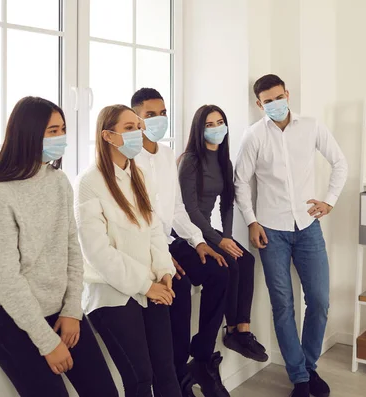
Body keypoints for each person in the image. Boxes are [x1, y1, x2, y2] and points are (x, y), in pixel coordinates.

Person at [0, 97, 118, 397]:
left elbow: (72, 249)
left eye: (62, 129)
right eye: (52, 131)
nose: (61, 138)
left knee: (105, 391)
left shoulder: (59, 182)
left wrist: (71, 311)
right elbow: (6, 279)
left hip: (58, 309)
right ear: (28, 134)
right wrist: (47, 341)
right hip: (8, 319)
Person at [234, 74, 347, 397]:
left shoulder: (311, 126)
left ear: (288, 94)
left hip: (308, 226)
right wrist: (252, 221)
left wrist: (330, 201)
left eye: (278, 97)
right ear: (259, 104)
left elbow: (339, 162)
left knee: (320, 301)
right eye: (267, 101)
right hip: (271, 231)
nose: (274, 104)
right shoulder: (253, 136)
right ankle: (299, 377)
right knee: (282, 305)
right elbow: (241, 181)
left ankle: (308, 368)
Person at [74, 104, 182, 397]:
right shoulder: (88, 183)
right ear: (108, 136)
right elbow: (97, 252)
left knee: (166, 370)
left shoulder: (139, 176)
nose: (139, 132)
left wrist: (164, 271)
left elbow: (153, 230)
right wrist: (146, 285)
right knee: (140, 378)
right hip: (110, 293)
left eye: (138, 126)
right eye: (130, 128)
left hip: (151, 285)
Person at [131, 88, 231, 397]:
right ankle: (178, 378)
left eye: (163, 114)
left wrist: (199, 241)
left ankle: (201, 357)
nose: (159, 120)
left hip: (171, 240)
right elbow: (137, 217)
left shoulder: (164, 155)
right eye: (151, 115)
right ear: (135, 118)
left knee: (219, 269)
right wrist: (160, 256)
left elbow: (175, 209)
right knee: (181, 289)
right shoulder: (129, 159)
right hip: (146, 248)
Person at [178, 104, 269, 365]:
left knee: (246, 260)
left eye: (220, 122)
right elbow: (189, 209)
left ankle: (242, 329)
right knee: (229, 265)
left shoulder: (224, 161)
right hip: (188, 232)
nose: (216, 128)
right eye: (209, 124)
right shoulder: (190, 161)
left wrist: (226, 237)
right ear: (199, 129)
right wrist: (219, 241)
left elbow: (227, 203)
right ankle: (230, 332)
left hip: (210, 231)